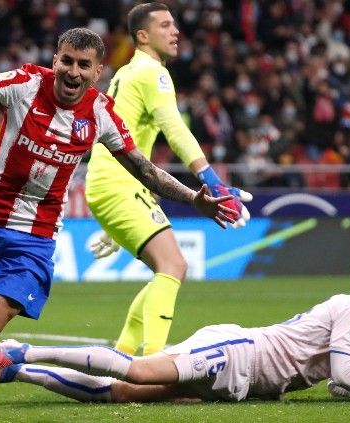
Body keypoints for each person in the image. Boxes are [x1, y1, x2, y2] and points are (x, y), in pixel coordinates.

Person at [0, 28, 239, 423]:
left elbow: (145, 170)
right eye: (67, 61)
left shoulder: (101, 113)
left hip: (36, 236)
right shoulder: (26, 84)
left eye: (84, 65)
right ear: (55, 61)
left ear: (97, 72)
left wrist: (193, 197)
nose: (74, 72)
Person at [0, 257, 350, 403]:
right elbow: (346, 374)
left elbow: (340, 382)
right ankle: (23, 350)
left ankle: (15, 372)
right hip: (240, 354)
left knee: (122, 394)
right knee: (138, 369)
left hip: (245, 378)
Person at [85, 2, 252, 357]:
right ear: (142, 36)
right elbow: (174, 128)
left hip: (119, 184)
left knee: (168, 268)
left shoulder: (128, 74)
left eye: (174, 24)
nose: (174, 31)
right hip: (118, 185)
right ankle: (153, 363)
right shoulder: (151, 72)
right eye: (164, 25)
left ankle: (127, 354)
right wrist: (211, 177)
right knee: (173, 265)